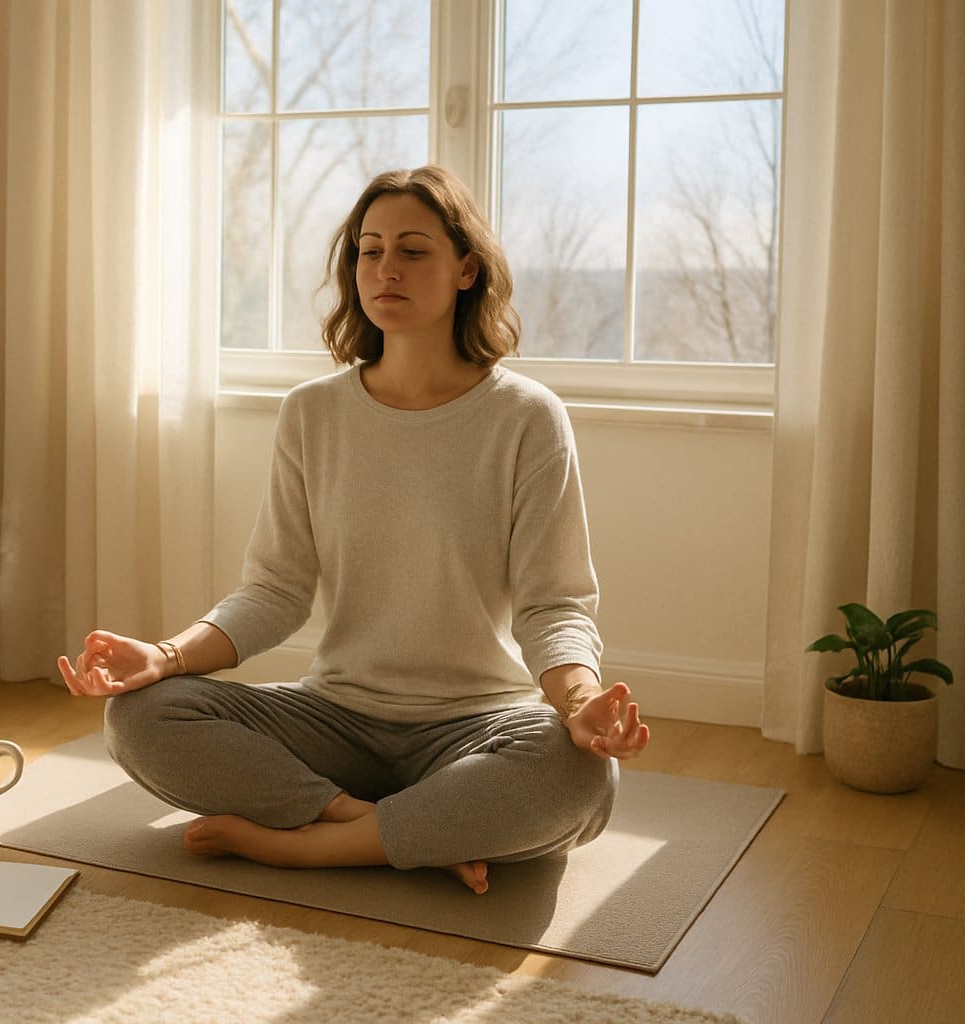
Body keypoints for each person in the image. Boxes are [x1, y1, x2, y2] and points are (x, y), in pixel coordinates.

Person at [56, 165, 648, 895]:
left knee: (581, 771)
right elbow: (275, 591)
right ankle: (374, 824)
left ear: (467, 269)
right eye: (369, 251)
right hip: (335, 717)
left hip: (477, 724)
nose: (385, 269)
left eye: (413, 250)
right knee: (141, 716)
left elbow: (552, 605)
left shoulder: (526, 418)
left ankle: (304, 845)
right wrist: (167, 656)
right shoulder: (313, 413)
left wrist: (580, 702)